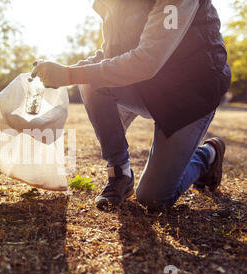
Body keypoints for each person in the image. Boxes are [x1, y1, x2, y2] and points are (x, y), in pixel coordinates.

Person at [31, 0, 231, 210]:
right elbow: (111, 54)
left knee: (153, 198)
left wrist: (69, 74)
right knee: (89, 78)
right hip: (151, 87)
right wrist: (64, 72)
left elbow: (147, 61)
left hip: (191, 95)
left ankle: (208, 153)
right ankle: (120, 174)